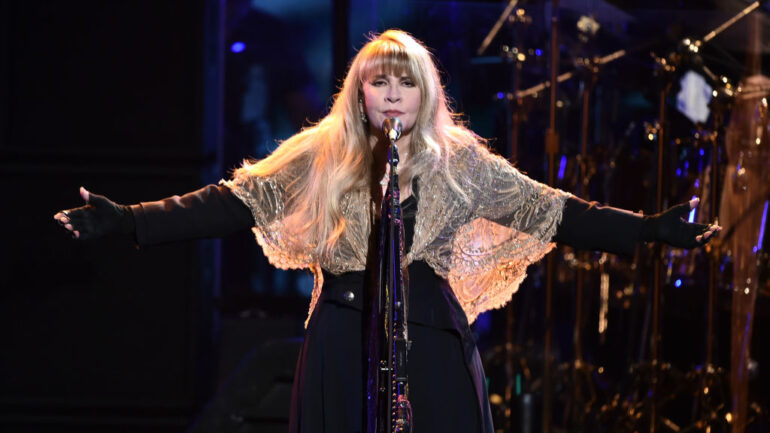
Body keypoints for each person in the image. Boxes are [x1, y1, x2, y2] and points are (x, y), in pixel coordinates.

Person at [53, 29, 720, 433]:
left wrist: (648, 229)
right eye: (380, 82)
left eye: (407, 81)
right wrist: (131, 221)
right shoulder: (320, 153)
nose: (393, 93)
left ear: (426, 91)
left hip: (431, 344)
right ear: (360, 92)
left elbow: (551, 208)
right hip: (343, 340)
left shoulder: (463, 162)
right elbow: (231, 200)